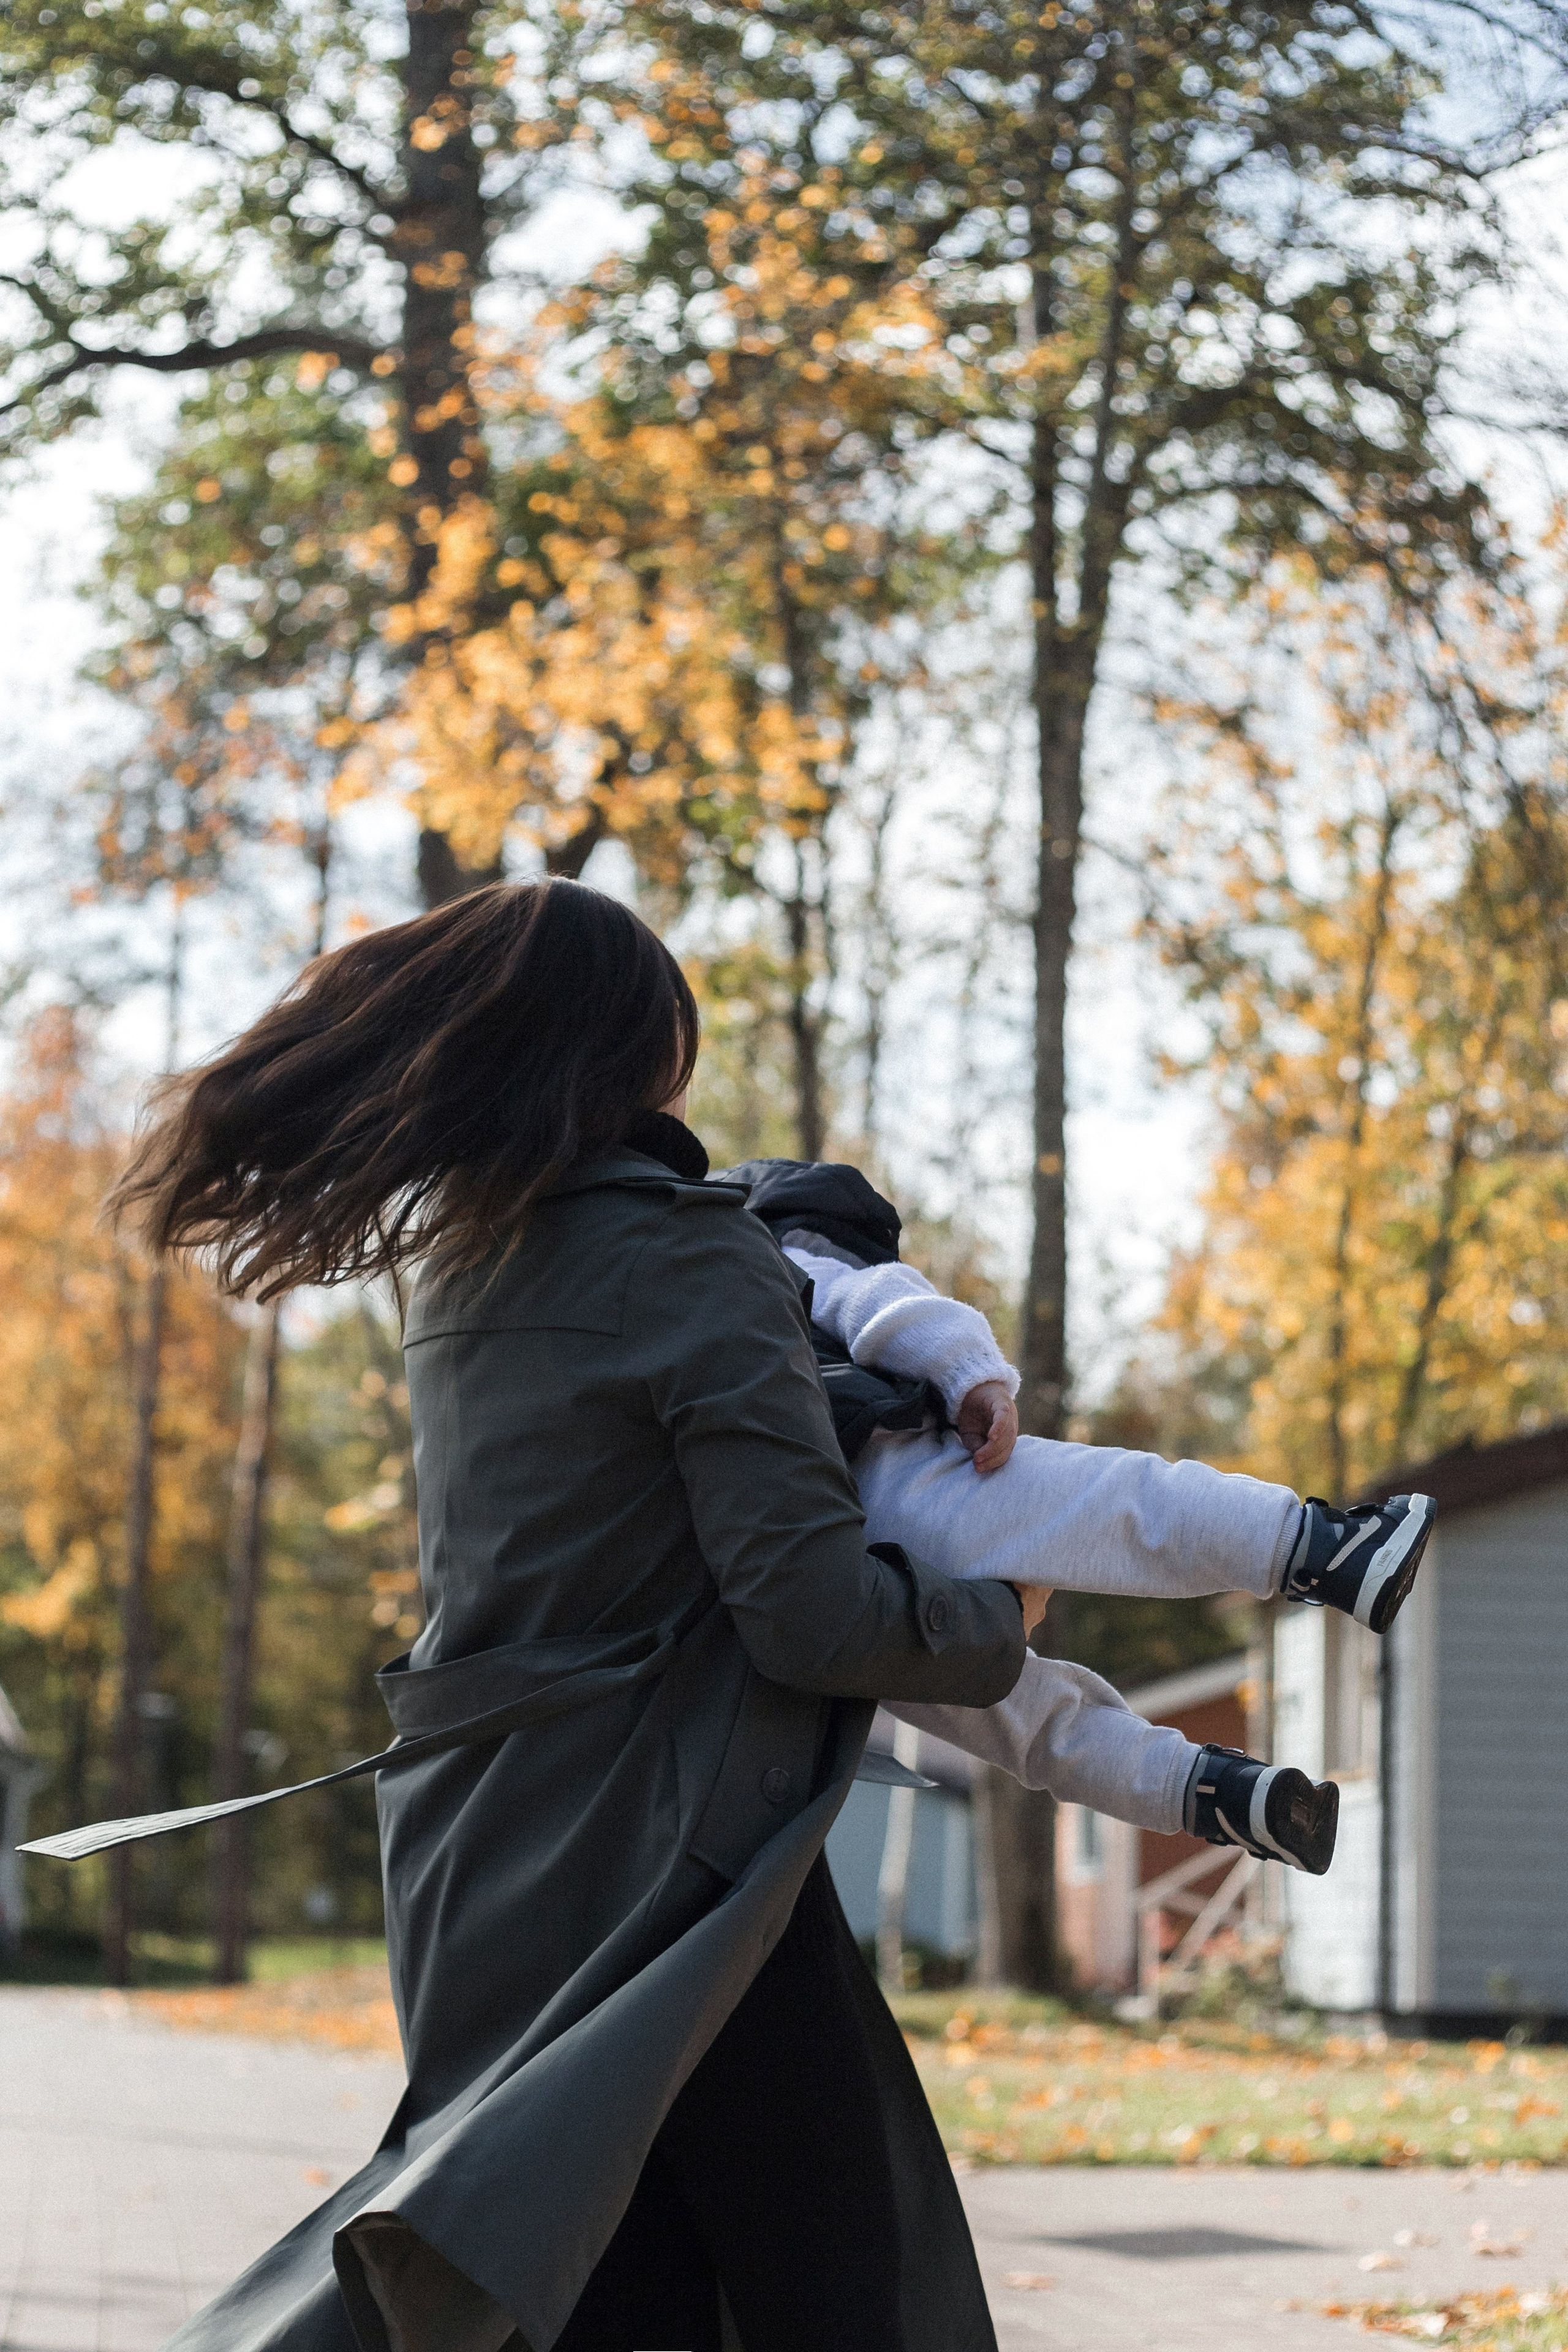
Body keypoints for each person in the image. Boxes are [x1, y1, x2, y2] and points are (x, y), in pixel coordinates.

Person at [30, 881, 1042, 2352]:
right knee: (831, 2284)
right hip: (676, 1869)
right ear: (642, 1058)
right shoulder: (692, 1256)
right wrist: (991, 1613)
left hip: (482, 1865)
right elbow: (810, 1613)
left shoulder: (459, 1268)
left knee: (571, 2285)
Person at [717, 1158, 1438, 1879]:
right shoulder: (769, 1237)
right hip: (893, 1479)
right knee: (1122, 1505)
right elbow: (881, 1301)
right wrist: (974, 1374)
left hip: (803, 1582)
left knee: (1028, 1728)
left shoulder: (673, 1290)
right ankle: (1325, 1549)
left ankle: (1219, 1796)